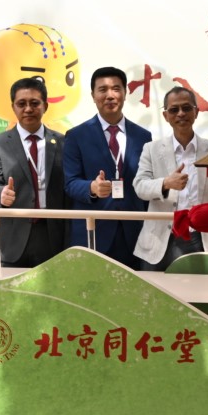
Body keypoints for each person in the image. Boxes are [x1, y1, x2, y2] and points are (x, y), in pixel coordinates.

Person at [64, 66, 151, 268]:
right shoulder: (76, 136)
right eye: (102, 90)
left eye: (116, 89)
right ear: (93, 95)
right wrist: (91, 188)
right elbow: (70, 183)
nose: (110, 95)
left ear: (125, 93)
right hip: (93, 231)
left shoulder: (143, 137)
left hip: (133, 234)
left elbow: (147, 182)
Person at [0, 77, 67, 267]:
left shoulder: (63, 142)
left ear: (45, 105)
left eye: (34, 103)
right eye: (22, 104)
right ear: (13, 107)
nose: (28, 109)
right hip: (9, 237)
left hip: (51, 236)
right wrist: (1, 195)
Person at [132, 85, 208, 269]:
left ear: (196, 112)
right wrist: (165, 184)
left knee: (196, 295)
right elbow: (139, 186)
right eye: (174, 109)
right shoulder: (151, 149)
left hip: (201, 239)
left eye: (186, 108)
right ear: (165, 116)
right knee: (153, 295)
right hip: (159, 239)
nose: (181, 114)